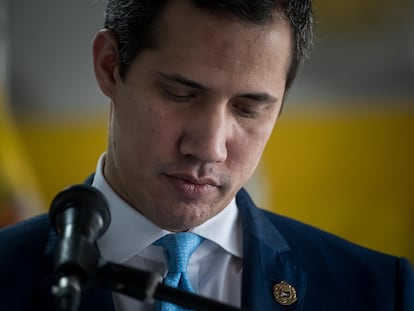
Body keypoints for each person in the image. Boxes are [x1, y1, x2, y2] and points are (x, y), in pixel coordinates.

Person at [0, 0, 413, 310]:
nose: (210, 147)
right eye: (181, 94)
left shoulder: (378, 290)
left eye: (249, 108)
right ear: (110, 66)